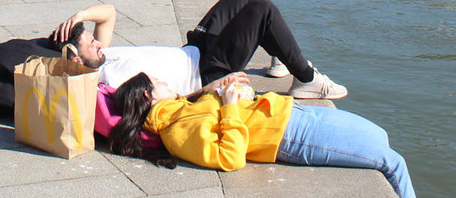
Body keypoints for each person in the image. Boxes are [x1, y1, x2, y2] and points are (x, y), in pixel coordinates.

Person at [109, 73, 414, 197]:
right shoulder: (175, 130)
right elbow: (229, 158)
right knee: (392, 163)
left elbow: (220, 111)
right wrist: (229, 106)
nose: (165, 82)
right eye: (158, 82)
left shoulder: (180, 109)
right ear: (148, 95)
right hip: (289, 135)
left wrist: (227, 90)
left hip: (291, 112)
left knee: (380, 135)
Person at [51, 0, 346, 100]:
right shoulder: (110, 80)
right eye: (92, 44)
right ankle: (307, 78)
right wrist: (209, 89)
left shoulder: (101, 57)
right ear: (77, 61)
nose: (99, 44)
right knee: (263, 9)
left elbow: (109, 13)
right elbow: (166, 102)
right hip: (206, 71)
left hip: (193, 49)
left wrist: (80, 16)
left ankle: (278, 50)